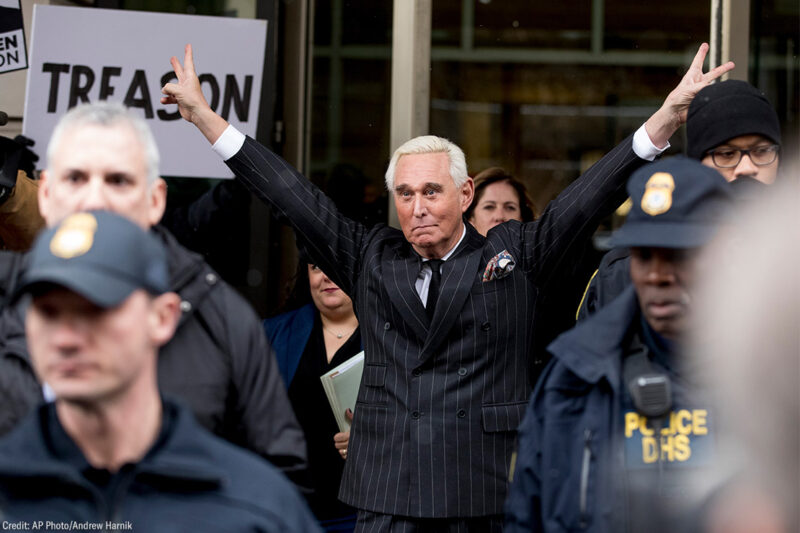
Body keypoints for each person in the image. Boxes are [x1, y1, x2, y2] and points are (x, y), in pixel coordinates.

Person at [162, 42, 731, 530]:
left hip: (480, 490)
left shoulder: (514, 254)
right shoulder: (370, 256)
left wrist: (665, 119)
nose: (418, 208)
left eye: (432, 192)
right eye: (405, 195)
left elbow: (590, 198)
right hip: (387, 493)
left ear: (464, 196)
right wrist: (205, 119)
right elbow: (288, 194)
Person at [0, 103, 308, 487]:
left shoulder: (222, 318)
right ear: (45, 194)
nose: (96, 199)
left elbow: (277, 470)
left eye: (118, 181)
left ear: (155, 199)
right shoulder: (7, 300)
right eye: (76, 179)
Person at [0, 211, 320, 531]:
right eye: (47, 311)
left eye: (95, 310)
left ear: (163, 317)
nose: (65, 338)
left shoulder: (257, 507)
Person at [504, 157, 735, 532]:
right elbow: (527, 515)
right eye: (644, 256)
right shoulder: (573, 377)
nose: (658, 275)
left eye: (679, 255)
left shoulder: (771, 379)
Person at [577, 78, 782, 319]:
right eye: (727, 154)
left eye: (761, 151)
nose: (746, 168)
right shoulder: (629, 271)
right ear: (697, 165)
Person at [465, 168, 597, 384]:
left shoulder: (547, 270)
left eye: (510, 207)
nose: (499, 215)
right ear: (470, 218)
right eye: (489, 207)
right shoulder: (454, 268)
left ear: (523, 218)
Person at [264, 258, 360, 531]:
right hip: (285, 510)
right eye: (316, 266)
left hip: (358, 514)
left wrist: (373, 441)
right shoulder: (274, 333)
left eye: (334, 263)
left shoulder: (386, 336)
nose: (326, 276)